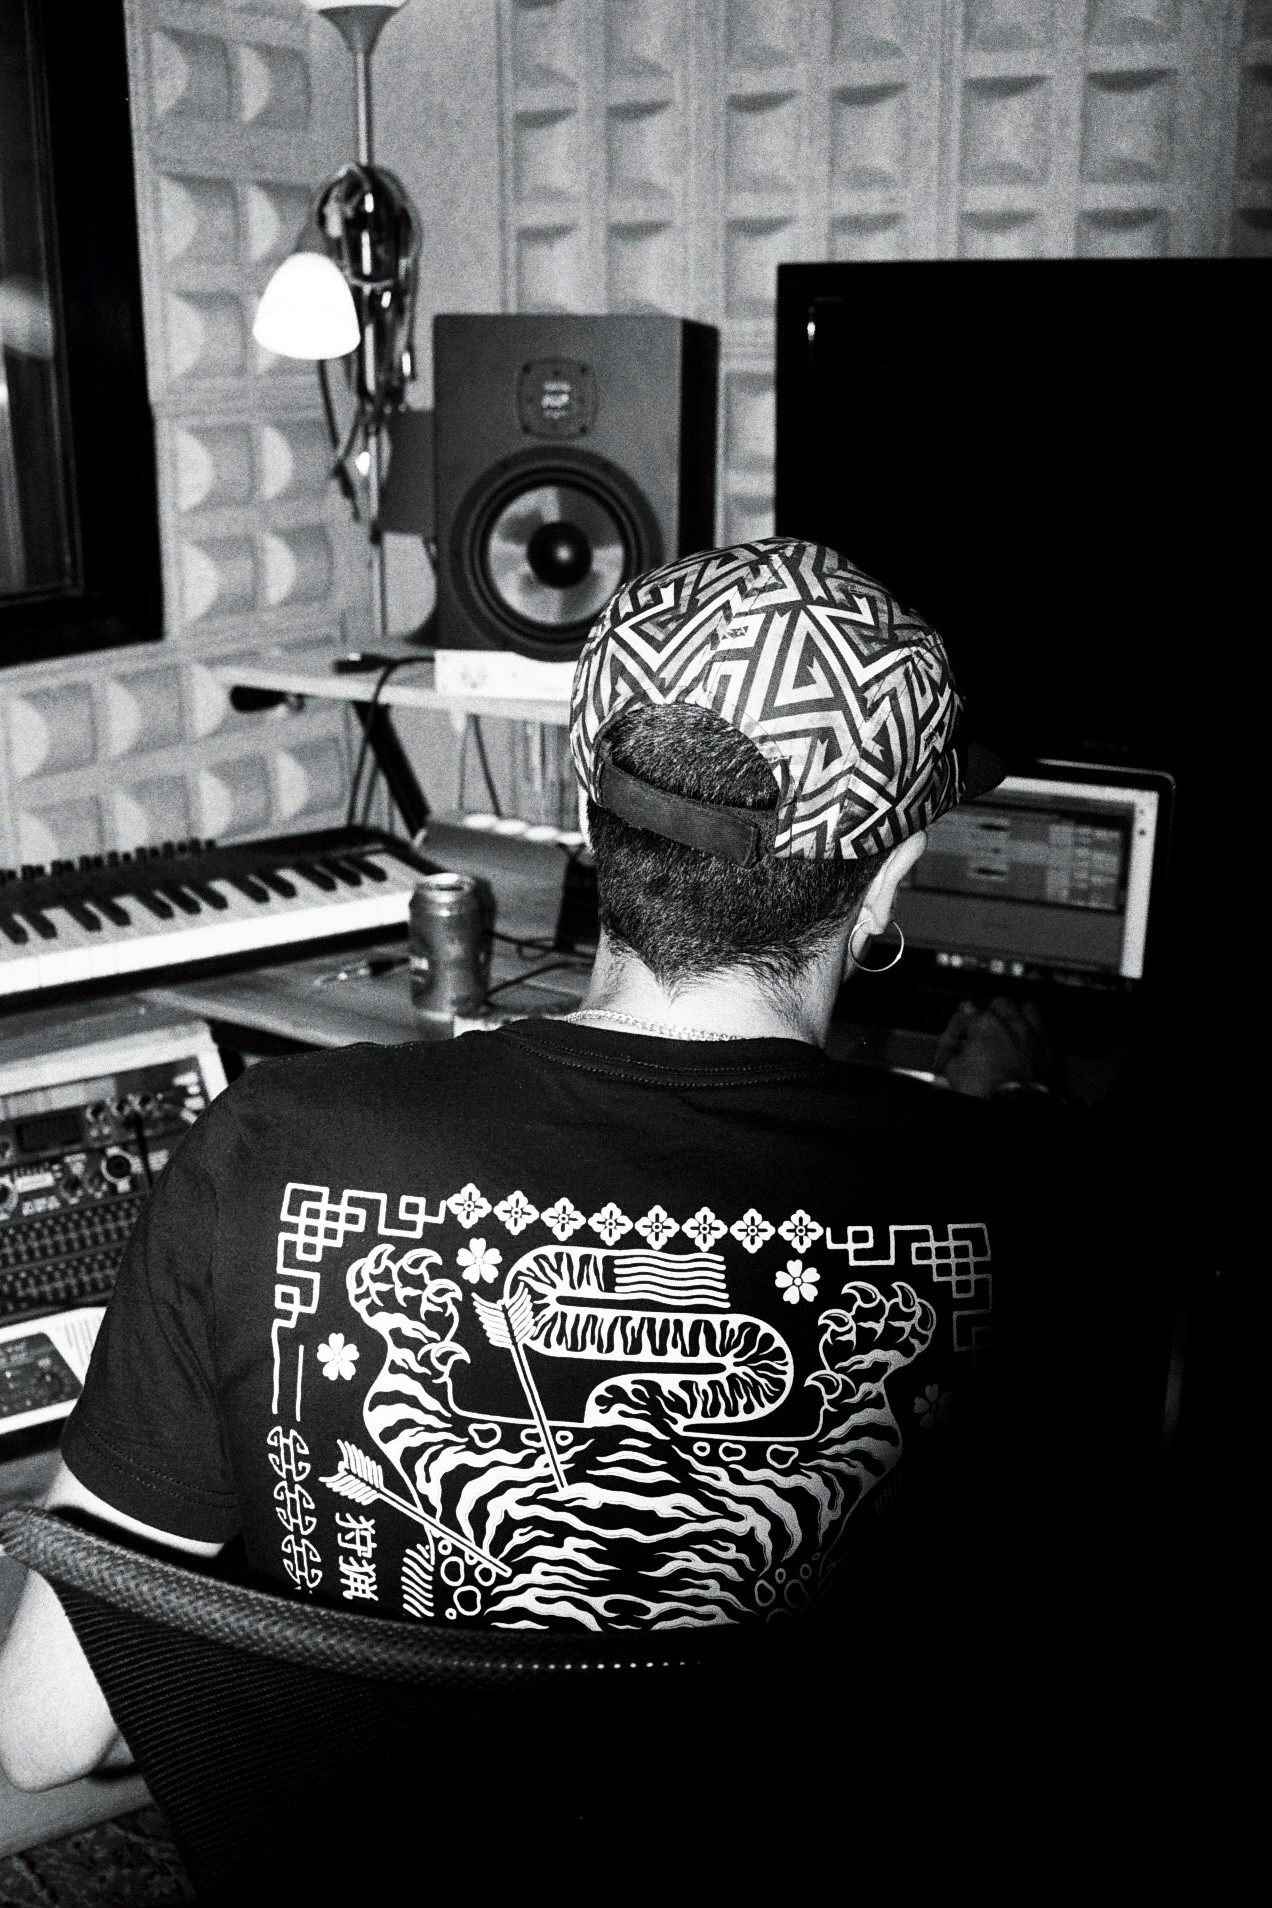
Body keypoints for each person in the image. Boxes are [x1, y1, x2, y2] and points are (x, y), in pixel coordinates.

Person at [0, 537, 1049, 1792]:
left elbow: (43, 1738)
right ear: (884, 887)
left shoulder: (266, 1146)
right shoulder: (1040, 1212)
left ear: (579, 809)